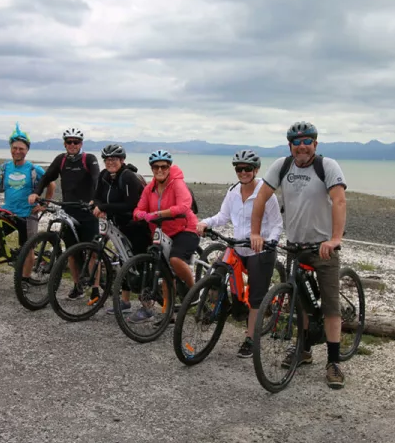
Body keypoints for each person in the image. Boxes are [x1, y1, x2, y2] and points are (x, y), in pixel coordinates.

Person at [249, 121, 349, 390]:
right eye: (297, 142)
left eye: (308, 142)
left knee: (329, 305)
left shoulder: (327, 166)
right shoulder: (282, 166)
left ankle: (333, 361)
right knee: (300, 302)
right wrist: (255, 232)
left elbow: (339, 201)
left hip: (323, 248)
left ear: (315, 144)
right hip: (295, 245)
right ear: (290, 146)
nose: (302, 146)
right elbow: (261, 197)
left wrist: (335, 239)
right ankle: (304, 350)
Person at [197, 149, 283, 358]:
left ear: (256, 170)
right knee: (217, 273)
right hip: (237, 246)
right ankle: (222, 305)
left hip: (259, 251)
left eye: (247, 169)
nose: (243, 172)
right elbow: (223, 216)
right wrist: (205, 222)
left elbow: (277, 224)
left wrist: (268, 241)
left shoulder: (266, 193)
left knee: (255, 296)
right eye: (239, 169)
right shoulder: (233, 191)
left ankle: (250, 339)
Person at [0, 123, 56, 279]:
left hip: (27, 214)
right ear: (10, 148)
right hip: (8, 211)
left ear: (27, 150)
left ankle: (25, 280)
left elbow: (51, 184)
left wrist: (44, 204)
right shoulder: (4, 168)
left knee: (28, 250)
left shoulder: (34, 169)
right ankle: (4, 252)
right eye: (15, 148)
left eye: (21, 148)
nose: (17, 151)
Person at [28, 127, 100, 300]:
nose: (73, 145)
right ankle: (77, 287)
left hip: (88, 212)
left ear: (81, 144)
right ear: (65, 143)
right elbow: (47, 178)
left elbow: (97, 179)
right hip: (69, 212)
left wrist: (96, 200)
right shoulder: (61, 160)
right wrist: (36, 192)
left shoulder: (89, 159)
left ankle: (96, 289)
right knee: (71, 252)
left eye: (76, 142)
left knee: (93, 252)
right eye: (69, 142)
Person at [131, 150, 199, 323]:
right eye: (156, 167)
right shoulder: (150, 188)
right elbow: (138, 209)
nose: (160, 170)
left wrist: (159, 213)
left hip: (186, 227)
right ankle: (169, 314)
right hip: (164, 231)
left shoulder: (177, 184)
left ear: (169, 167)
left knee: (175, 260)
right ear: (152, 168)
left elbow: (184, 205)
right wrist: (142, 215)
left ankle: (193, 291)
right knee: (164, 272)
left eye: (164, 166)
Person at [89, 144, 151, 312]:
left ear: (122, 160)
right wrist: (97, 205)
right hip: (119, 226)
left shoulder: (128, 177)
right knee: (124, 262)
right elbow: (97, 197)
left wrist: (105, 208)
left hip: (137, 226)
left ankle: (147, 307)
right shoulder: (104, 176)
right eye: (107, 160)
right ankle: (125, 303)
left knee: (140, 264)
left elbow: (130, 205)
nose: (110, 162)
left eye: (114, 159)